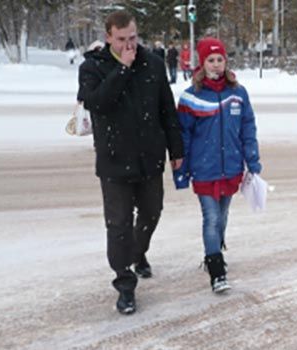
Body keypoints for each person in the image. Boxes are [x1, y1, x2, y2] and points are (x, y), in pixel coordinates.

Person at [77, 10, 184, 315]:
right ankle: (125, 284)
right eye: (122, 39)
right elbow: (97, 103)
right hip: (113, 160)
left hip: (149, 157)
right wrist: (122, 69)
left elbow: (167, 110)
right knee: (118, 224)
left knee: (152, 212)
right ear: (109, 36)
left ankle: (138, 252)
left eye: (133, 38)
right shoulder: (92, 67)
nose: (129, 45)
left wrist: (176, 150)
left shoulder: (152, 62)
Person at [173, 37, 262, 294]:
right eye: (210, 60)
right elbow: (184, 137)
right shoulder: (191, 98)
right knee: (211, 218)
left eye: (220, 59)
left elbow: (248, 128)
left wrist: (252, 160)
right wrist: (182, 171)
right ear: (202, 64)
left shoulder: (238, 93)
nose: (216, 64)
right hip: (204, 170)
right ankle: (216, 269)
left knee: (222, 217)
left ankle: (214, 252)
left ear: (225, 61)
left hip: (231, 168)